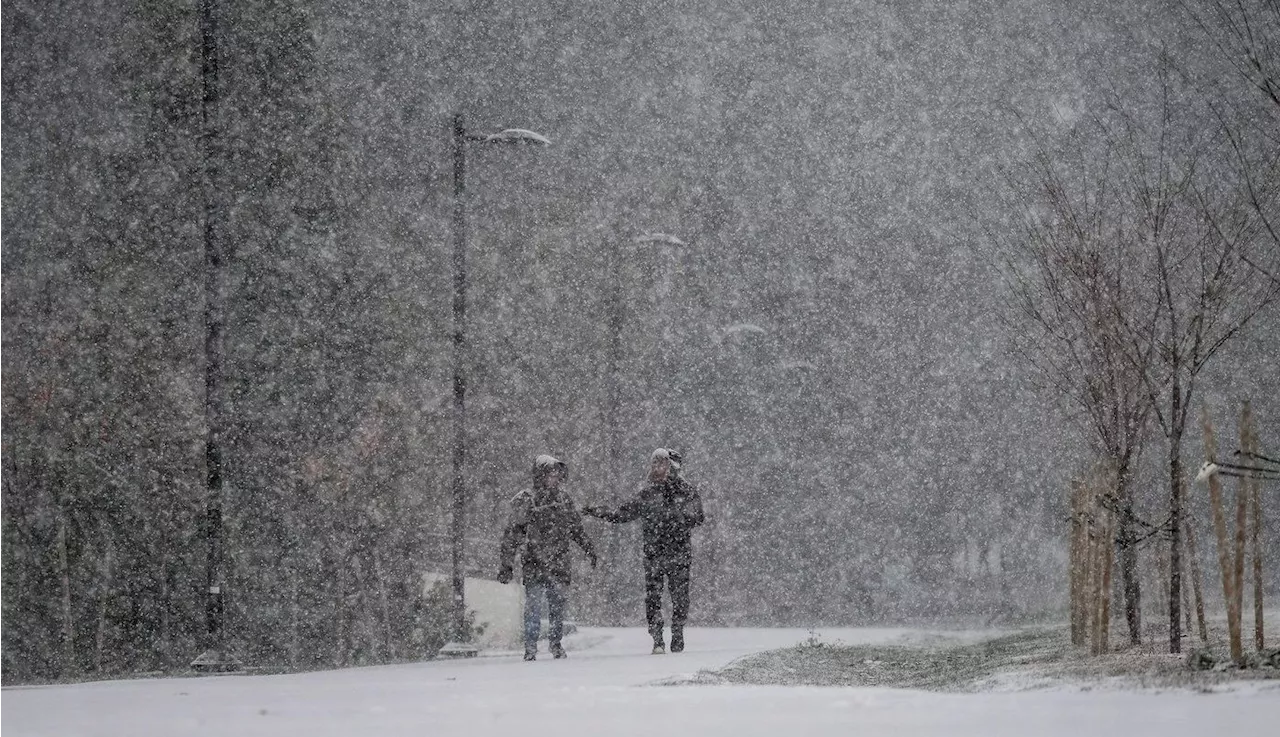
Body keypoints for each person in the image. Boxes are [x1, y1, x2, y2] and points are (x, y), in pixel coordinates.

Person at [583, 448, 704, 654]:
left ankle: (677, 631)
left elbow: (698, 516)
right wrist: (598, 511)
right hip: (654, 554)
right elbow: (621, 513)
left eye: (663, 464)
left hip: (679, 554)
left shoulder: (686, 491)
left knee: (680, 597)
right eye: (655, 464)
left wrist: (677, 518)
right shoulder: (648, 493)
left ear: (673, 467)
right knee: (653, 597)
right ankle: (657, 638)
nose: (658, 468)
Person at [497, 454, 598, 661]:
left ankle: (555, 644)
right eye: (549, 474)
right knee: (533, 607)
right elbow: (513, 534)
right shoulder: (527, 500)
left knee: (557, 606)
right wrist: (506, 565)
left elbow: (575, 529)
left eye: (556, 475)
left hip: (558, 563)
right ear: (540, 475)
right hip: (534, 563)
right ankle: (531, 647)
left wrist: (588, 548)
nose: (553, 479)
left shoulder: (563, 500)